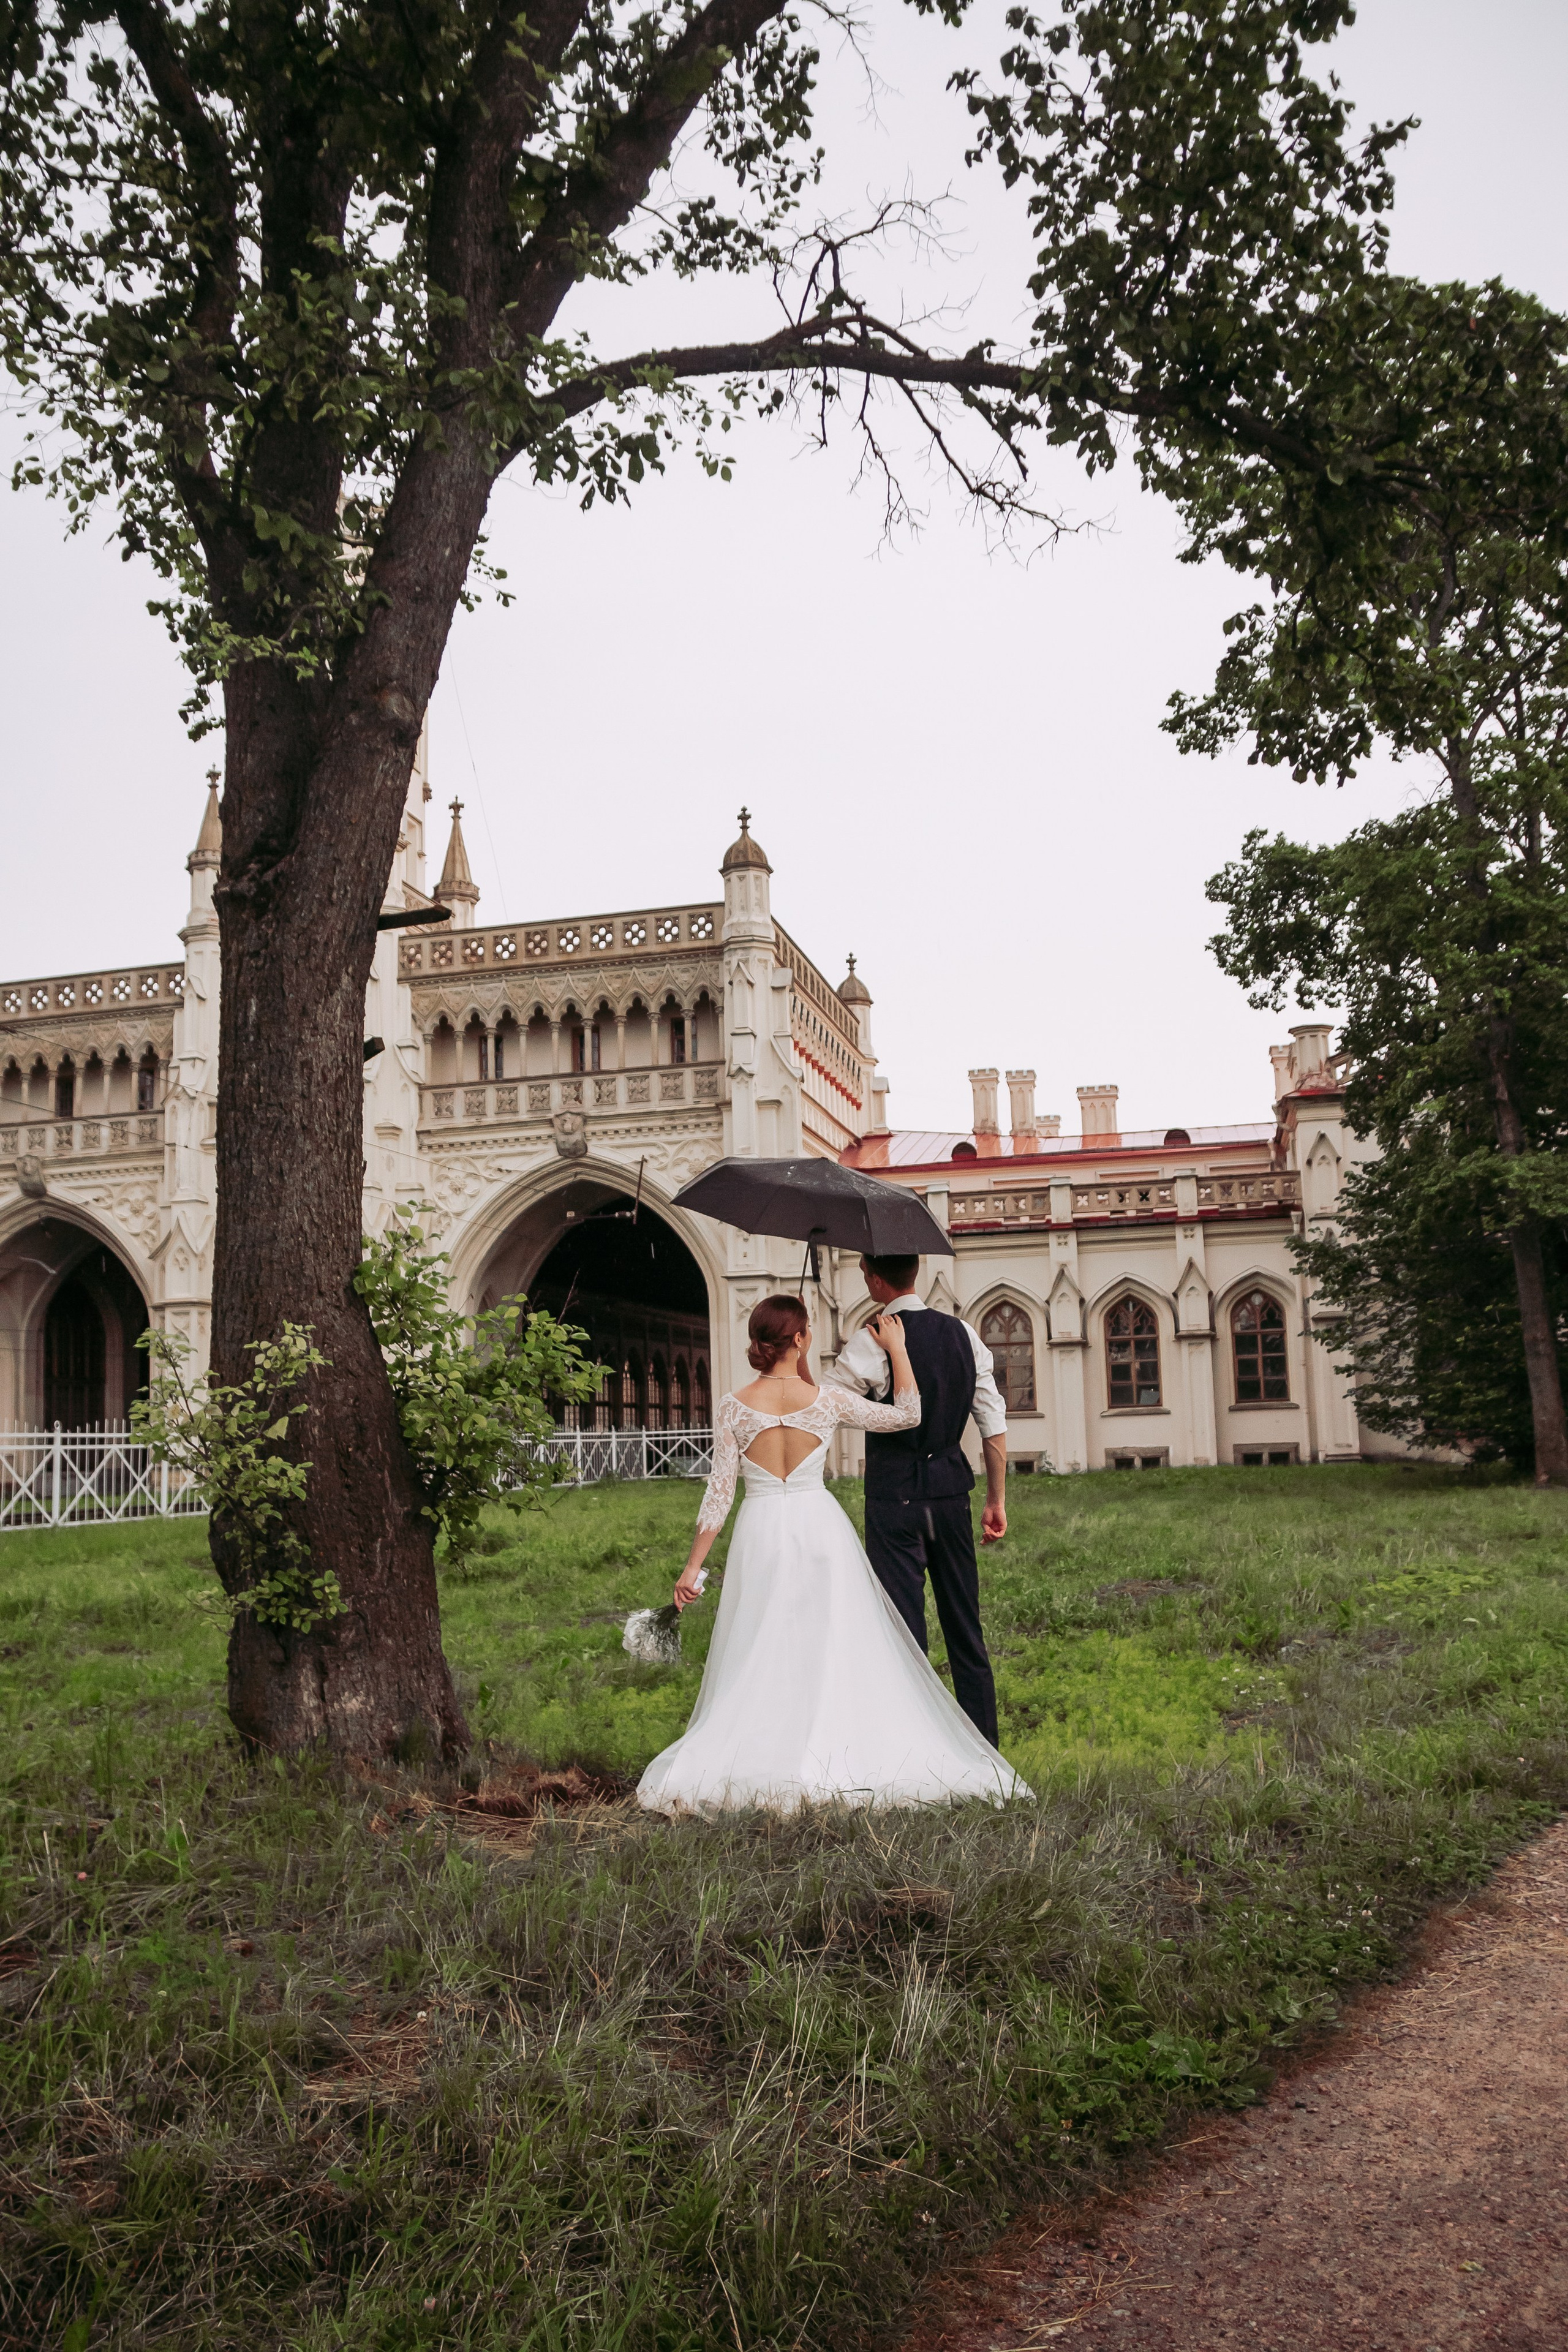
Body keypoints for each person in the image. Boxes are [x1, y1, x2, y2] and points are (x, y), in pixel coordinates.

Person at [636, 1293, 1028, 1816]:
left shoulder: (733, 1406)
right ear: (800, 1339)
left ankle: (768, 1748)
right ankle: (831, 1745)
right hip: (820, 1530)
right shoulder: (826, 1402)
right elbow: (908, 1415)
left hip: (760, 1533)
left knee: (762, 1643)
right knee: (830, 1644)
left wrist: (692, 1568)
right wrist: (898, 1349)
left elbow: (720, 1493)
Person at [825, 1253, 1005, 1744]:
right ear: (916, 1272)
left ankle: (913, 1749)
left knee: (903, 1632)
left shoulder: (870, 1340)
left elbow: (825, 1405)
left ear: (875, 1280)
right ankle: (986, 1750)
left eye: (866, 1273)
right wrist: (996, 1499)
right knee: (965, 1626)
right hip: (951, 1496)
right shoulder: (964, 1335)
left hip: (895, 1499)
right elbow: (992, 1423)